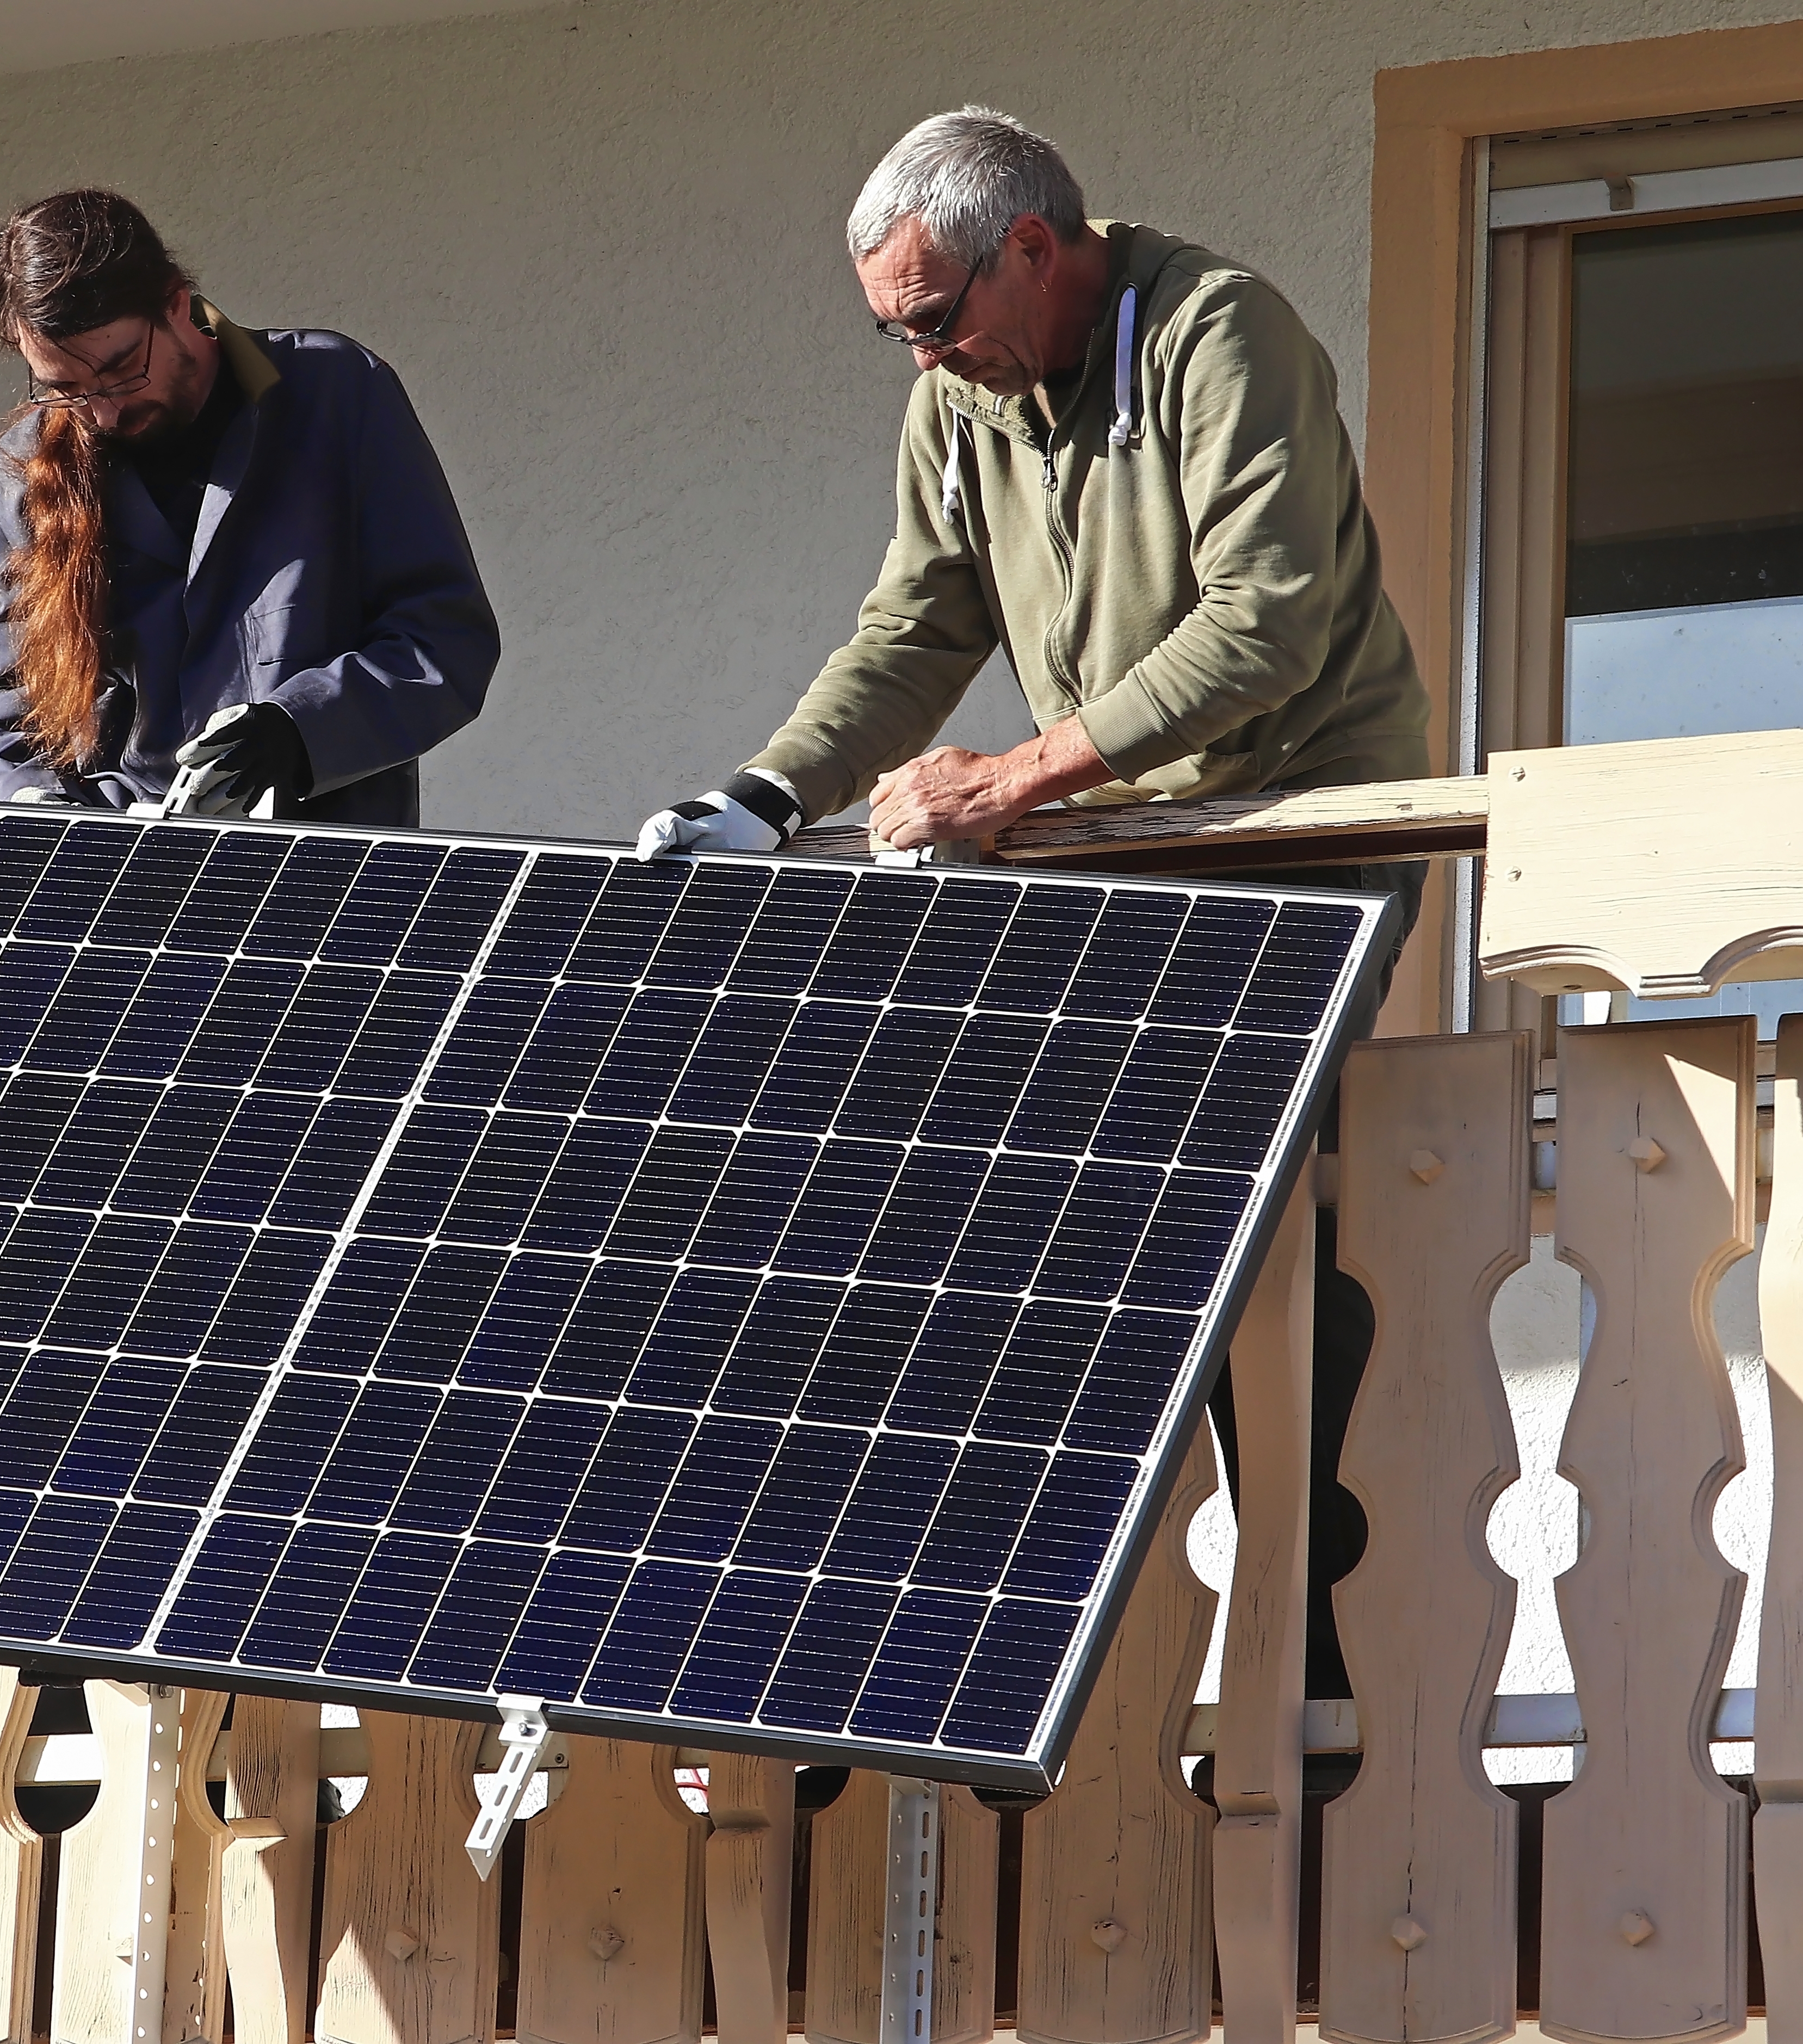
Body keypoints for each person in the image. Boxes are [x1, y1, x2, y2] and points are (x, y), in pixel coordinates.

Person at [638, 108, 1437, 1723]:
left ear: (1034, 249)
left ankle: (1308, 1621)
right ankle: (1059, 1652)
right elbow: (914, 629)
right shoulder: (958, 410)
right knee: (1088, 1217)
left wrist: (1011, 785)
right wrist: (766, 795)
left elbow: (1267, 625)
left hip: (1296, 824)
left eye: (935, 320)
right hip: (1124, 841)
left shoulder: (1219, 335)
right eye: (893, 333)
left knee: (1275, 1221)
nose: (922, 361)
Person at [0, 189, 498, 825]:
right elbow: (6, 711)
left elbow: (442, 637)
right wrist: (32, 803)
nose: (103, 412)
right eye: (65, 390)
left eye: (123, 370)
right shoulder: (3, 482)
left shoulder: (336, 393)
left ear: (176, 304)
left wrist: (296, 732)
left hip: (320, 892)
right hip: (110, 895)